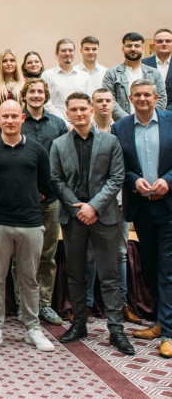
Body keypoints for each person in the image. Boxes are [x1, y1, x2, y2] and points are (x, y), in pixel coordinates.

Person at [50, 92, 135, 355]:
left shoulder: (110, 141)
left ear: (91, 110)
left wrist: (93, 206)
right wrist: (79, 208)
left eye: (83, 109)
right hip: (74, 217)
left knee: (109, 276)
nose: (79, 113)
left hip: (105, 215)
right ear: (68, 114)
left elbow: (117, 177)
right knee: (76, 274)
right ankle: (79, 323)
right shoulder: (59, 144)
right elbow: (56, 180)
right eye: (73, 109)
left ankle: (116, 330)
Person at [0, 100, 55, 353]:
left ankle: (32, 328)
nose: (9, 121)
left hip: (31, 223)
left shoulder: (37, 150)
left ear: (22, 118)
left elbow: (46, 186)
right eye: (4, 116)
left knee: (29, 279)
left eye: (14, 116)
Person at [111, 79, 172, 359]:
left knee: (168, 268)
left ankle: (169, 331)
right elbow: (117, 168)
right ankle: (160, 322)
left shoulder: (171, 121)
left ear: (157, 97)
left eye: (147, 94)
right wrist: (134, 181)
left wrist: (168, 180)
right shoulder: (119, 128)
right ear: (130, 99)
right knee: (150, 265)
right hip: (142, 208)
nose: (143, 99)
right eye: (137, 95)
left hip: (169, 204)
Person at [85, 89, 141, 325]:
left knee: (119, 253)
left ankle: (122, 303)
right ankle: (87, 305)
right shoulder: (84, 131)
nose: (104, 104)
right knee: (89, 254)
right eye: (99, 101)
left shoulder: (122, 130)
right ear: (92, 106)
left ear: (113, 104)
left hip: (118, 201)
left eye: (108, 101)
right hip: (90, 204)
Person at [15, 78, 67, 326]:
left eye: (40, 92)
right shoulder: (16, 121)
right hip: (22, 200)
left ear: (46, 96)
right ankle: (21, 304)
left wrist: (46, 189)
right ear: (24, 96)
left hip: (51, 200)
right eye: (31, 91)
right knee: (20, 257)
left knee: (48, 256)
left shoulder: (58, 124)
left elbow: (62, 162)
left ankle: (44, 304)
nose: (36, 95)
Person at [103, 32, 166, 121]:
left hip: (150, 123)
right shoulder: (112, 73)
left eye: (137, 46)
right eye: (129, 46)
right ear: (123, 49)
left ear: (143, 49)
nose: (133, 49)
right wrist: (128, 120)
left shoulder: (154, 73)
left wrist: (147, 117)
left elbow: (161, 99)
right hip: (121, 124)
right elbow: (109, 99)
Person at [41, 38, 92, 123]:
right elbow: (47, 103)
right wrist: (65, 123)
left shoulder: (84, 76)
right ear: (57, 54)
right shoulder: (47, 75)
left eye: (70, 50)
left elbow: (89, 102)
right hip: (56, 123)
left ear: (74, 53)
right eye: (63, 51)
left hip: (81, 123)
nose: (67, 53)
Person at [142, 28, 172, 110]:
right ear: (154, 44)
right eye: (160, 41)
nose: (164, 44)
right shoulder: (142, 64)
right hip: (147, 113)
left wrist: (167, 111)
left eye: (168, 41)